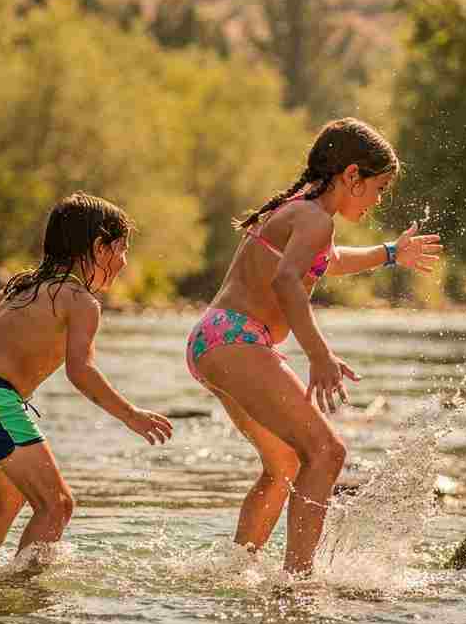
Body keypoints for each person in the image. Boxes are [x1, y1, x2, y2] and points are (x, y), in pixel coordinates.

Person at [186, 118, 439, 573]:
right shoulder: (315, 218)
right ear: (352, 176)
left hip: (216, 338)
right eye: (379, 187)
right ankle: (297, 582)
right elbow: (288, 280)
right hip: (237, 340)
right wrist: (319, 355)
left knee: (284, 464)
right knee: (327, 453)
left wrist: (389, 253)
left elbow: (327, 262)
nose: (380, 200)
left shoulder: (301, 209)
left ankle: (236, 570)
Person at [0, 192, 174, 574]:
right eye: (122, 248)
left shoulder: (26, 285)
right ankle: (19, 599)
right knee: (57, 505)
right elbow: (80, 370)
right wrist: (131, 415)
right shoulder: (81, 301)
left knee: (9, 498)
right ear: (99, 247)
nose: (125, 260)